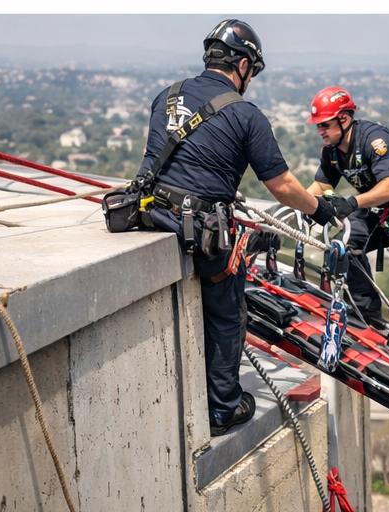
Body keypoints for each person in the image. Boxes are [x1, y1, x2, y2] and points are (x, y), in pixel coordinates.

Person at [136, 19, 337, 437]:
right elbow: (282, 186)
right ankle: (223, 408)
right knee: (228, 306)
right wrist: (318, 209)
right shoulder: (246, 115)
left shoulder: (167, 96)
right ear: (243, 65)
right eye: (252, 72)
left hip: (151, 214)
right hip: (197, 228)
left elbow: (160, 157)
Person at [305, 86, 389, 338]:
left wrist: (351, 203)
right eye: (318, 126)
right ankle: (367, 310)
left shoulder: (374, 140)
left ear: (344, 119)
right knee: (343, 245)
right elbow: (320, 186)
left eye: (325, 125)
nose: (320, 131)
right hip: (373, 206)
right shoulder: (332, 151)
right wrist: (290, 207)